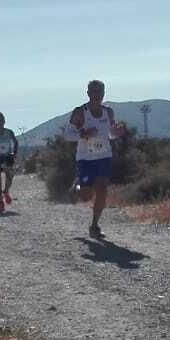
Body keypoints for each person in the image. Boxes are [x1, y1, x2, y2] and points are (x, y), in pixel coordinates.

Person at [65, 79, 126, 239]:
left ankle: (94, 226)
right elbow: (67, 135)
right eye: (94, 92)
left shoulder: (108, 112)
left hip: (104, 156)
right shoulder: (80, 112)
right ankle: (77, 186)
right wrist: (82, 134)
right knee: (86, 196)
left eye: (100, 92)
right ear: (88, 94)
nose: (97, 95)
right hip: (85, 159)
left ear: (104, 93)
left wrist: (117, 133)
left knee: (102, 190)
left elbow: (110, 134)